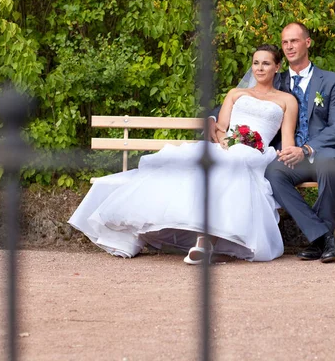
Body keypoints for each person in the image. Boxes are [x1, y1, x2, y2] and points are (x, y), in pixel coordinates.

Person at [68, 44, 298, 262]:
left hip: (255, 153)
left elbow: (287, 141)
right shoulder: (236, 94)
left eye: (266, 63)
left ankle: (204, 241)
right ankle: (134, 235)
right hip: (227, 146)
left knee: (231, 165)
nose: (259, 68)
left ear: (277, 67)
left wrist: (289, 156)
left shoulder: (287, 100)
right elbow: (220, 127)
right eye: (256, 63)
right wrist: (226, 141)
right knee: (185, 168)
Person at [267, 22, 335, 263]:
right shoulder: (276, 81)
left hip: (325, 153)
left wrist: (305, 149)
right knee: (273, 173)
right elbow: (244, 99)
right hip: (292, 159)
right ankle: (324, 238)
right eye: (285, 42)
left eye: (294, 41)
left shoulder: (331, 81)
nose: (289, 46)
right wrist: (212, 117)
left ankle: (318, 240)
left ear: (307, 42)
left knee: (328, 161)